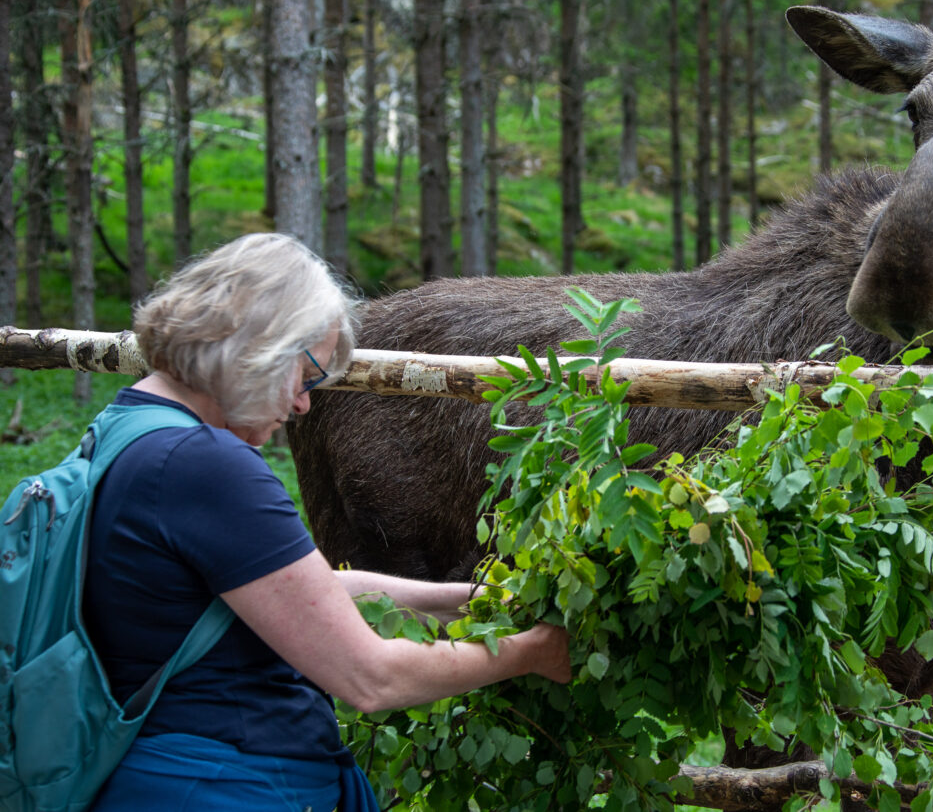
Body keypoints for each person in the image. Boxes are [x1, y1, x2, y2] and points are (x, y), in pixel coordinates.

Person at [84, 233, 572, 811]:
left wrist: (460, 599)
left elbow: (294, 590)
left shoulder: (124, 429)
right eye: (307, 372)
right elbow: (372, 679)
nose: (303, 405)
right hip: (221, 786)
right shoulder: (207, 468)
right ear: (258, 346)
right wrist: (533, 651)